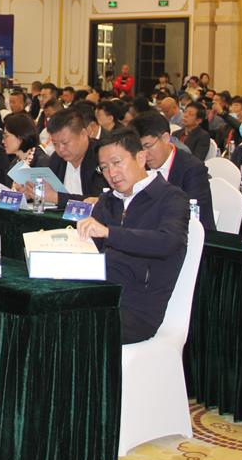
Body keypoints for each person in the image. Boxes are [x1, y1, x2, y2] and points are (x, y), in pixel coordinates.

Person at [77, 128, 189, 344]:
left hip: (137, 310)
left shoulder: (171, 198)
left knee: (72, 327)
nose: (112, 173)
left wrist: (109, 233)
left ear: (140, 158)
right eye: (104, 167)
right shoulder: (108, 200)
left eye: (117, 162)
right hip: (100, 296)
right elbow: (88, 248)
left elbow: (168, 242)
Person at [132, 111, 214, 229]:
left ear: (166, 138)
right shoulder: (138, 165)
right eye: (140, 149)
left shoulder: (193, 169)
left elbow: (191, 216)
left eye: (148, 146)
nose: (144, 154)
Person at [21, 109, 107, 209]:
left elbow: (100, 200)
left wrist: (56, 197)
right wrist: (31, 194)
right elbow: (47, 195)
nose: (60, 149)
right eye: (55, 144)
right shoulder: (56, 159)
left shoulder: (101, 157)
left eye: (65, 143)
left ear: (84, 134)